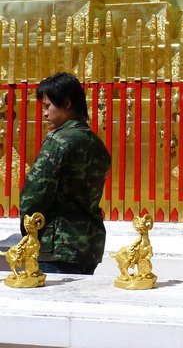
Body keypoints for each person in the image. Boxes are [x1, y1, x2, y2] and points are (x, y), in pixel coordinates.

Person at [20, 72, 111, 274]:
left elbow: (34, 196)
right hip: (89, 246)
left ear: (67, 103)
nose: (44, 114)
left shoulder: (58, 142)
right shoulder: (97, 144)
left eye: (47, 106)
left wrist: (28, 234)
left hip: (57, 245)